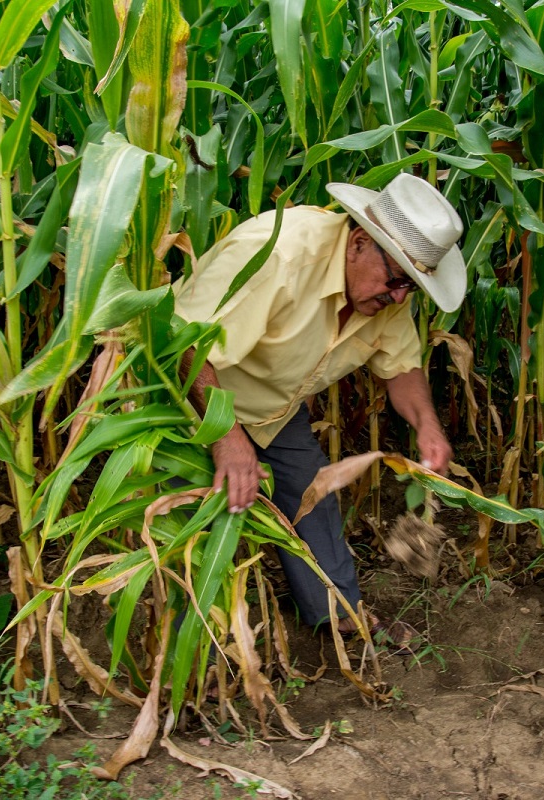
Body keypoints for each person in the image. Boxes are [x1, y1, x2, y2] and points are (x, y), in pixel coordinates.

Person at [174, 173, 466, 649]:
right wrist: (226, 436)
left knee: (311, 496)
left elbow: (401, 367)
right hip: (194, 396)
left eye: (410, 288)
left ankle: (340, 614)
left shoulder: (385, 293)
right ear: (359, 243)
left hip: (273, 408)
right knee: (190, 519)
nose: (398, 298)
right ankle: (187, 647)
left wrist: (427, 426)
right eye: (396, 281)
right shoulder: (280, 255)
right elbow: (185, 344)